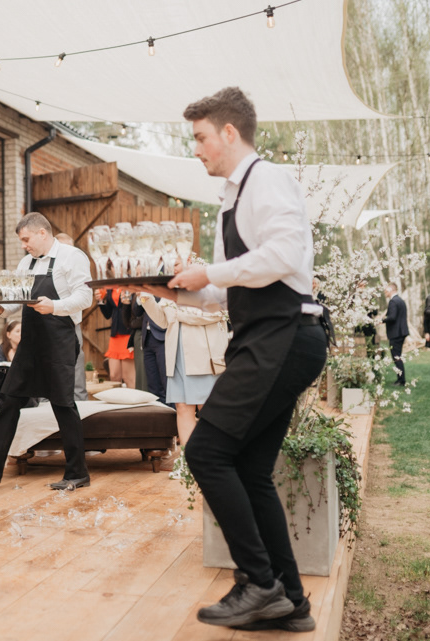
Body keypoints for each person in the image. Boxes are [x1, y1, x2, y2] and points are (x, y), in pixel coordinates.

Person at [141, 87, 328, 632]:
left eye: (200, 137)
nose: (195, 148)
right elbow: (228, 290)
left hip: (283, 337)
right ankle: (291, 601)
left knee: (205, 452)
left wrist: (210, 271)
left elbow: (284, 257)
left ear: (229, 132)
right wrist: (173, 289)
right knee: (248, 469)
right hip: (266, 336)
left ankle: (259, 584)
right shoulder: (232, 197)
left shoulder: (267, 180)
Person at [0, 212, 93, 490]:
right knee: (9, 399)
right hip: (30, 343)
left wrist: (54, 306)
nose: (24, 245)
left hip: (60, 340)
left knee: (63, 405)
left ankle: (77, 473)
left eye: (26, 239)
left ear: (43, 233)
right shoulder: (26, 263)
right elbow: (15, 301)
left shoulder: (71, 256)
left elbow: (85, 296)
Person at [139, 264, 228, 448]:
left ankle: (212, 455)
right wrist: (146, 298)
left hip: (202, 355)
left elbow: (218, 313)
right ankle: (188, 459)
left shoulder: (205, 275)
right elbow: (163, 321)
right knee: (182, 407)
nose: (173, 264)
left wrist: (179, 313)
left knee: (206, 408)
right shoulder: (170, 284)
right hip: (176, 355)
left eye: (177, 260)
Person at [56, 233, 89, 401]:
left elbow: (83, 296)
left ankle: (81, 404)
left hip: (72, 324)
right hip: (48, 325)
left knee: (77, 366)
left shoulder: (76, 265)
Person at [98, 288, 136, 389]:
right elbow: (108, 314)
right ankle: (117, 399)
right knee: (114, 376)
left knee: (128, 377)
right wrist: (101, 301)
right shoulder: (110, 289)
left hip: (128, 333)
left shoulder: (130, 286)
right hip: (115, 335)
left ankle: (132, 398)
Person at [382, 283, 409, 386]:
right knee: (398, 356)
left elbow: (392, 317)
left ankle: (401, 380)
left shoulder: (393, 301)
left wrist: (382, 320)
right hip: (401, 332)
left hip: (396, 333)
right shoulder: (400, 300)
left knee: (396, 357)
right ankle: (401, 379)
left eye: (386, 290)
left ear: (390, 290)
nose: (385, 292)